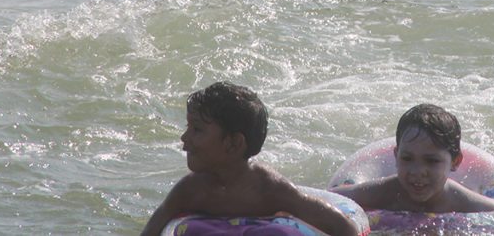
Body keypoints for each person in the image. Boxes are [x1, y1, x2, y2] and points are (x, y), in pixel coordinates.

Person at [139, 82, 361, 236]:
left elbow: (343, 227)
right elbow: (152, 230)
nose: (184, 138)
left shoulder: (268, 188)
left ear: (234, 143)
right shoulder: (191, 189)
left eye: (196, 129)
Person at [331, 104, 494, 214]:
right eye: (407, 158)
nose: (417, 171)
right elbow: (330, 197)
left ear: (455, 161)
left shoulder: (465, 204)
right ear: (396, 156)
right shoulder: (380, 194)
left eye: (431, 161)